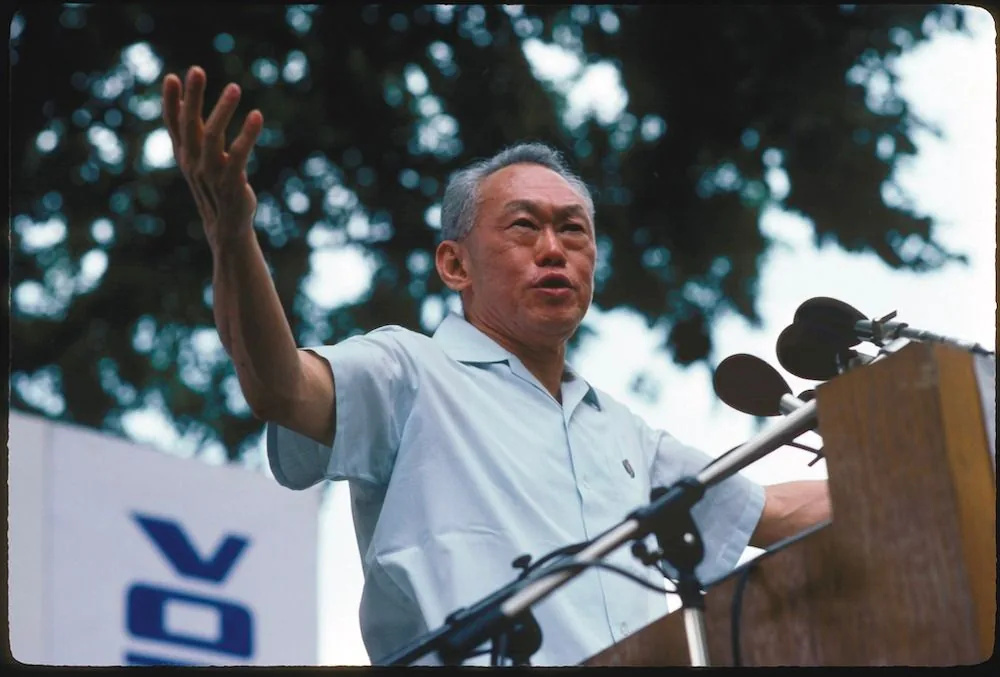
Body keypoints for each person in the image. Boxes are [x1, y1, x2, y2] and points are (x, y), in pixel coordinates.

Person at [162, 66, 831, 666]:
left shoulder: (625, 434)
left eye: (574, 230)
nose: (553, 248)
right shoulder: (410, 372)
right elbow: (279, 388)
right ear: (455, 264)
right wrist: (233, 238)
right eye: (523, 226)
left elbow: (771, 510)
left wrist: (911, 432)